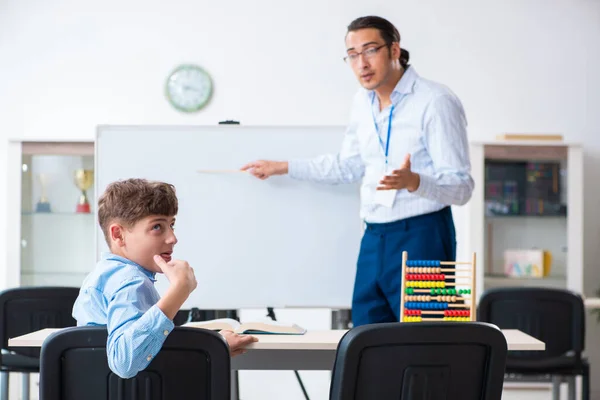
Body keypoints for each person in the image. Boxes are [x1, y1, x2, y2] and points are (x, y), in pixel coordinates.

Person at [241, 16, 474, 327]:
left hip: (423, 234)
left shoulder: (435, 101)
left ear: (394, 49)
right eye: (352, 55)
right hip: (374, 235)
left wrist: (415, 181)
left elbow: (462, 187)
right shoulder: (361, 103)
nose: (361, 63)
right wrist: (282, 167)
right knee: (368, 339)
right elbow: (348, 165)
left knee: (426, 342)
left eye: (370, 50)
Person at [72, 178, 257, 379]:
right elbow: (125, 363)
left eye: (172, 225)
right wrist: (179, 291)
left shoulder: (102, 275)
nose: (172, 238)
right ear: (118, 234)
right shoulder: (130, 281)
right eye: (157, 227)